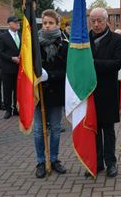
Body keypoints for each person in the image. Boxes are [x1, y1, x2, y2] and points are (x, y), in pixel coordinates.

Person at [88, 8, 121, 177]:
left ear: (107, 20)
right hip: (89, 92)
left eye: (99, 20)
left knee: (108, 130)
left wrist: (92, 63)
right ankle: (96, 163)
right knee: (93, 130)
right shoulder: (83, 39)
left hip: (108, 92)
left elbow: (116, 63)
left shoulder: (117, 39)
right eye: (93, 21)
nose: (96, 24)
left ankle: (111, 163)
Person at [34, 9, 68, 178]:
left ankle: (54, 159)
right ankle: (41, 161)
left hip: (55, 92)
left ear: (57, 24)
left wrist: (50, 76)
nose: (47, 26)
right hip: (38, 94)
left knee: (55, 129)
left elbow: (67, 70)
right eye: (45, 23)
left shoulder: (64, 43)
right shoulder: (34, 44)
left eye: (50, 23)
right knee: (39, 130)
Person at [0, 16, 21, 119]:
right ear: (9, 23)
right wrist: (11, 58)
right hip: (7, 68)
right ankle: (8, 109)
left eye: (18, 22)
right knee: (7, 90)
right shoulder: (3, 36)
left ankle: (16, 109)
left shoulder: (21, 36)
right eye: (15, 22)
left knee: (18, 90)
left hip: (19, 69)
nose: (18, 24)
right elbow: (0, 52)